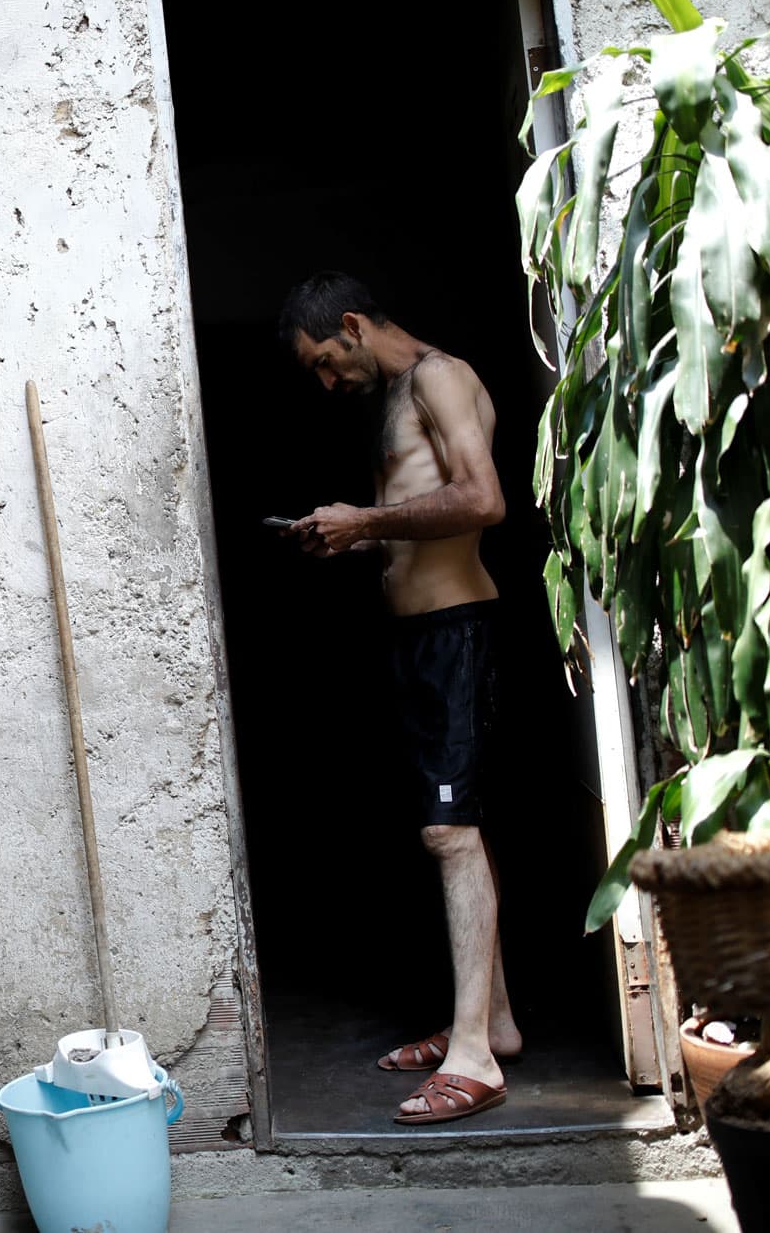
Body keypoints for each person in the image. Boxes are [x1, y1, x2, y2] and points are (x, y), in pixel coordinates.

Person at [275, 271, 521, 1125]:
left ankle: (475, 1059)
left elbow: (482, 498)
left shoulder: (440, 376)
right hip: (419, 638)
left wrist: (367, 521)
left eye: (324, 363)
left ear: (351, 324)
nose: (327, 383)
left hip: (457, 628)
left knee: (450, 832)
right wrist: (349, 535)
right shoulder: (398, 397)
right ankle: (491, 1020)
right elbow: (417, 507)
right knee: (457, 831)